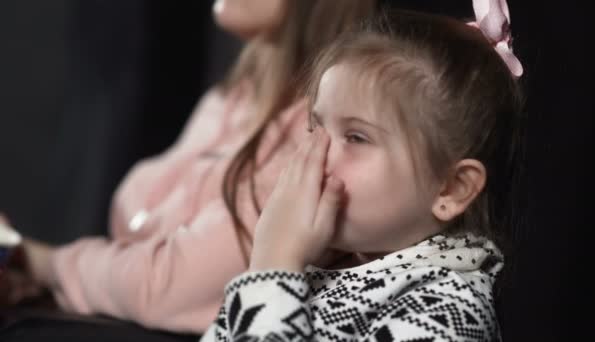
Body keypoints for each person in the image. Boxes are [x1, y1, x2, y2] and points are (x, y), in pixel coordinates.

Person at [0, 0, 376, 333]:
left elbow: (165, 287)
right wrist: (31, 278)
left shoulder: (319, 138)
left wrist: (34, 258)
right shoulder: (230, 97)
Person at [200, 2, 524, 341]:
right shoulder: (315, 267)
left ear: (451, 188)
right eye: (315, 128)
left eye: (356, 137)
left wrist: (273, 267)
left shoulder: (450, 312)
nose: (319, 156)